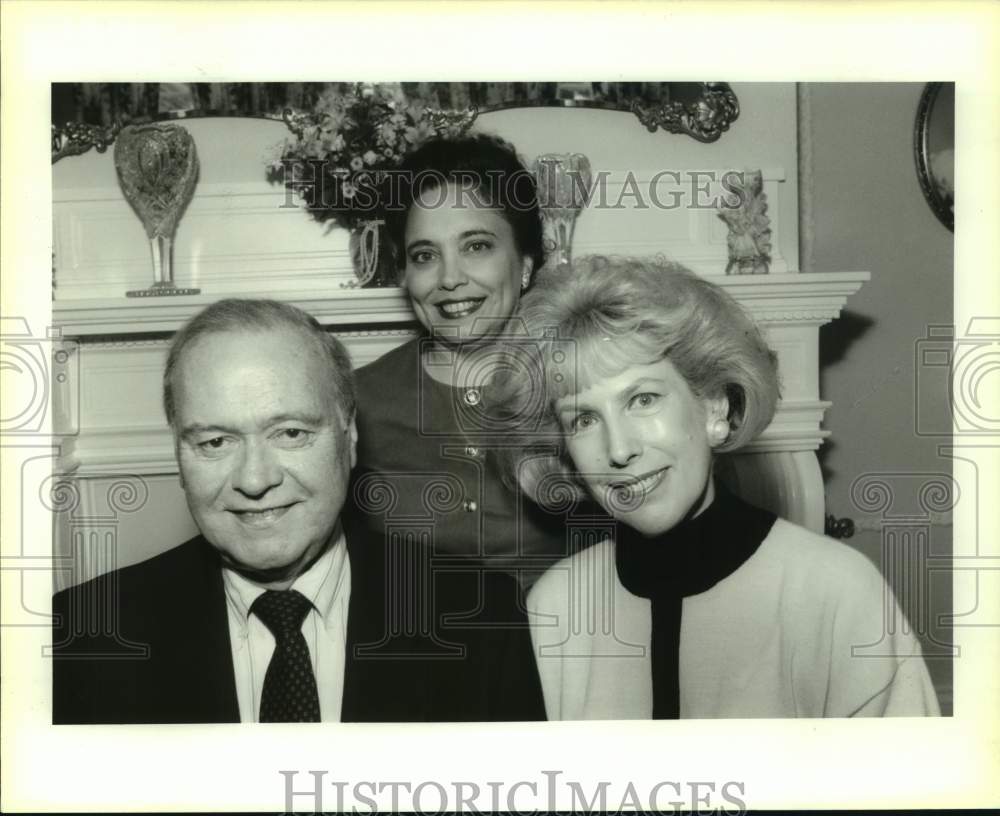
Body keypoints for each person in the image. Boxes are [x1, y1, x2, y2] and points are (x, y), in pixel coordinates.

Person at [52, 298, 544, 724]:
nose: (254, 479)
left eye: (291, 433)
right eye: (215, 441)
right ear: (179, 456)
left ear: (350, 440)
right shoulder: (83, 639)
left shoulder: (479, 617)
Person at [492, 255, 941, 719]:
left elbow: (911, 788)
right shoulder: (557, 608)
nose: (619, 449)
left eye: (643, 399)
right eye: (584, 419)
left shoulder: (837, 591)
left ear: (715, 410)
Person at [351, 133, 573, 588]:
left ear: (526, 261)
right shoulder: (358, 402)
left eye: (476, 246)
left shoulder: (578, 381)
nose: (450, 278)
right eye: (425, 255)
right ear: (404, 274)